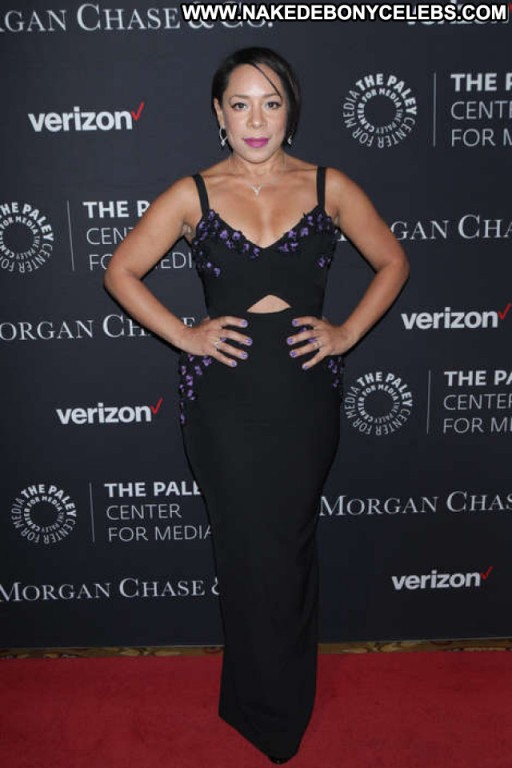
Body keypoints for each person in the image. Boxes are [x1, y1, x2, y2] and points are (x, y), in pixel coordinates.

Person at [104, 47, 409, 764]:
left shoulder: (330, 186)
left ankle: (284, 702)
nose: (256, 119)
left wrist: (346, 333)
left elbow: (393, 260)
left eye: (270, 102)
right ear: (219, 113)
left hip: (303, 394)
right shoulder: (194, 194)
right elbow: (121, 271)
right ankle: (251, 700)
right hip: (224, 400)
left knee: (290, 547)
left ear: (290, 110)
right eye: (240, 104)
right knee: (242, 551)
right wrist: (186, 335)